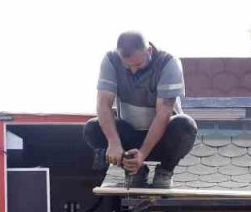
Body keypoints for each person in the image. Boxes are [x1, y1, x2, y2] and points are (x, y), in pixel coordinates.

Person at [83, 31, 197, 189]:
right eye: (127, 66)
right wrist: (114, 143)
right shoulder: (110, 60)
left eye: (138, 65)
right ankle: (135, 170)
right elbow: (103, 104)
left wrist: (143, 153)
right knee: (92, 128)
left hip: (163, 138)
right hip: (130, 136)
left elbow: (163, 113)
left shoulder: (168, 63)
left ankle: (165, 170)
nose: (133, 71)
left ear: (148, 51)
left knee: (186, 125)